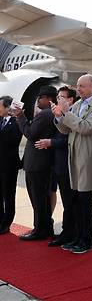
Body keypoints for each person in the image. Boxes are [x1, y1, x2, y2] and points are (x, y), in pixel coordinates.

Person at [53, 74, 92, 254]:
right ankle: (77, 236)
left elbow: (85, 127)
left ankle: (87, 239)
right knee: (75, 199)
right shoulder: (78, 104)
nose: (78, 89)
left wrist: (66, 114)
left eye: (82, 86)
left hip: (87, 156)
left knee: (85, 200)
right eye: (78, 86)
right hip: (74, 155)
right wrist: (59, 117)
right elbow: (65, 129)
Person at [36, 86, 78, 247]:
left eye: (61, 97)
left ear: (70, 100)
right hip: (58, 163)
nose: (58, 99)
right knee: (67, 201)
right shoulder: (59, 114)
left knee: (70, 202)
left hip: (67, 163)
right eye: (58, 96)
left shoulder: (71, 115)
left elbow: (68, 140)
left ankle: (70, 234)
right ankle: (67, 232)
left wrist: (50, 142)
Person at [15, 86, 58, 240]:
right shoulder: (51, 113)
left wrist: (20, 117)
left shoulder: (44, 114)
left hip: (37, 163)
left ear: (48, 99)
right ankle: (46, 228)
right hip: (44, 163)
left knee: (38, 198)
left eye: (40, 97)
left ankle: (39, 230)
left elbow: (30, 133)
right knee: (43, 197)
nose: (38, 100)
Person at [0, 96, 23, 235]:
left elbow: (13, 141)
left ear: (8, 108)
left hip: (9, 165)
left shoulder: (16, 122)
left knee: (8, 195)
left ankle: (7, 222)